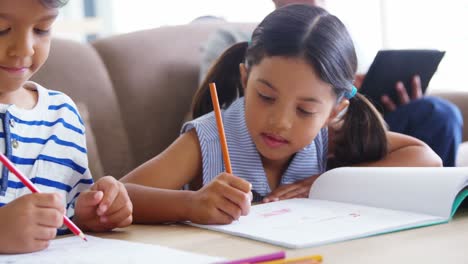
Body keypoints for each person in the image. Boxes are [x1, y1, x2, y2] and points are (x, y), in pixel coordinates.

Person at [121, 5, 441, 226]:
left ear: (333, 112)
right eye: (265, 96)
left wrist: (326, 183)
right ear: (246, 80)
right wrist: (192, 205)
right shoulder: (208, 141)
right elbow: (121, 194)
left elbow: (427, 159)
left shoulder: (325, 138)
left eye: (305, 110)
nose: (280, 121)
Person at [199, 0, 463, 167]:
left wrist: (390, 95)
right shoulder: (234, 38)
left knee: (438, 113)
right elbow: (222, 104)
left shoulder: (337, 38)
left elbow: (354, 99)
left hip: (347, 121)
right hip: (305, 132)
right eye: (266, 95)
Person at [0, 0, 132, 254]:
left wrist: (90, 213)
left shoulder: (62, 115)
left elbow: (69, 215)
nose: (24, 49)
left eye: (42, 29)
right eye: (1, 28)